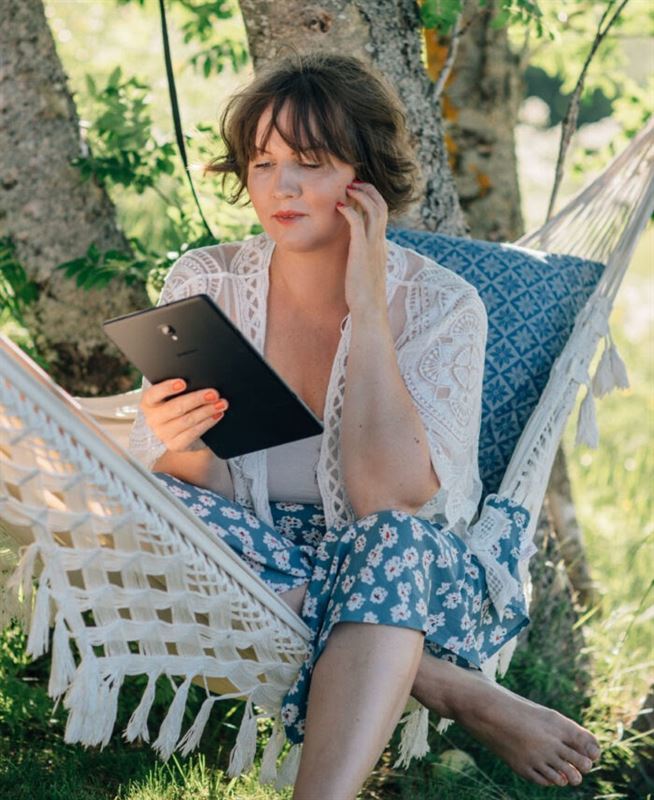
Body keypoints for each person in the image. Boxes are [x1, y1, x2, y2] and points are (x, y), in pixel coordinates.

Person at [128, 52, 600, 800]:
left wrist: (370, 306)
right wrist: (180, 441)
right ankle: (450, 687)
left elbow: (389, 502)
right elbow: (202, 496)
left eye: (309, 163)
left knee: (391, 540)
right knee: (135, 504)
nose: (279, 187)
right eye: (261, 163)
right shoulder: (208, 280)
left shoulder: (444, 307)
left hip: (410, 572)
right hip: (252, 558)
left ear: (365, 177)